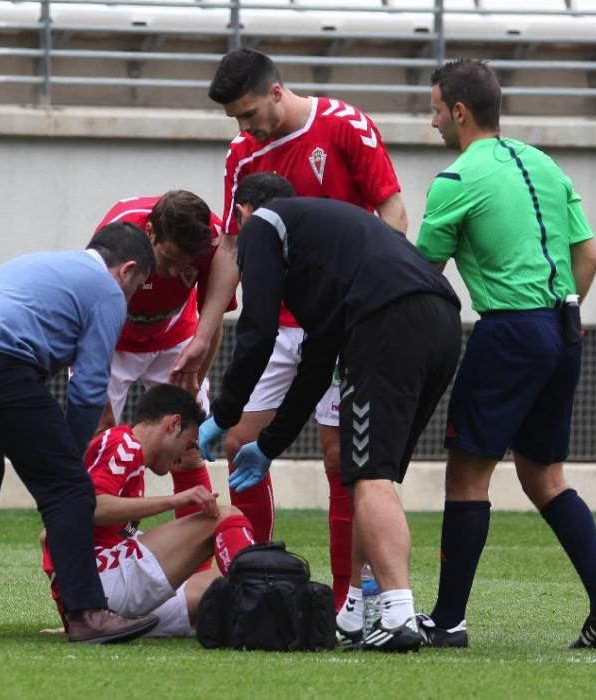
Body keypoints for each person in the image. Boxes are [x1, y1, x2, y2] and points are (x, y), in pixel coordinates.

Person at [173, 47, 409, 610]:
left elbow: (393, 212)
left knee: (339, 456)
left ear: (276, 92)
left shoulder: (345, 126)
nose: (245, 126)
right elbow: (230, 245)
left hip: (342, 319)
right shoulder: (242, 155)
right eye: (236, 119)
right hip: (274, 324)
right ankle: (257, 586)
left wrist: (373, 303)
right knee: (236, 442)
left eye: (250, 113)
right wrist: (207, 328)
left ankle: (348, 600)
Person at [415, 58, 596, 650]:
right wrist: (554, 317)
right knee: (543, 475)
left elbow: (420, 277)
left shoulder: (456, 180)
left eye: (435, 109)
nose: (431, 120)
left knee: (466, 476)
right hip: (565, 331)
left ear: (459, 112)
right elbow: (590, 258)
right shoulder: (544, 164)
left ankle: (448, 620)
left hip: (508, 333)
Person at [198, 172, 463, 652]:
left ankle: (398, 612)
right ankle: (357, 613)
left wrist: (223, 414)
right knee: (366, 474)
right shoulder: (327, 245)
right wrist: (270, 444)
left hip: (387, 320)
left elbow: (256, 332)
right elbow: (317, 360)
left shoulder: (261, 225)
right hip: (441, 323)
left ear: (241, 214)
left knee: (370, 477)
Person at [0, 221, 160, 644]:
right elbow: (87, 388)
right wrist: (72, 455)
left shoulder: (47, 262)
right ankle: (87, 612)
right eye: (138, 287)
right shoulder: (106, 290)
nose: (132, 299)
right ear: (127, 269)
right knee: (68, 487)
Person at [42, 384, 256, 637]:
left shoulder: (131, 458)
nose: (182, 458)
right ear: (173, 424)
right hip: (101, 581)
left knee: (217, 587)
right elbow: (90, 507)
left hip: (103, 588)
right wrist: (175, 500)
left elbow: (64, 530)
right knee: (226, 515)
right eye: (188, 444)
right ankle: (258, 600)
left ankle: (258, 603)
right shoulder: (123, 444)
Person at [93, 191, 235, 530]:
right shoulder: (115, 236)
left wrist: (195, 380)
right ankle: (110, 545)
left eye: (183, 264)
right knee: (101, 440)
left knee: (189, 442)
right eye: (166, 259)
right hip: (112, 343)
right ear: (151, 233)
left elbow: (210, 321)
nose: (173, 273)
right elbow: (90, 317)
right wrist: (93, 386)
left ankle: (195, 566)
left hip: (176, 338)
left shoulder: (215, 239)